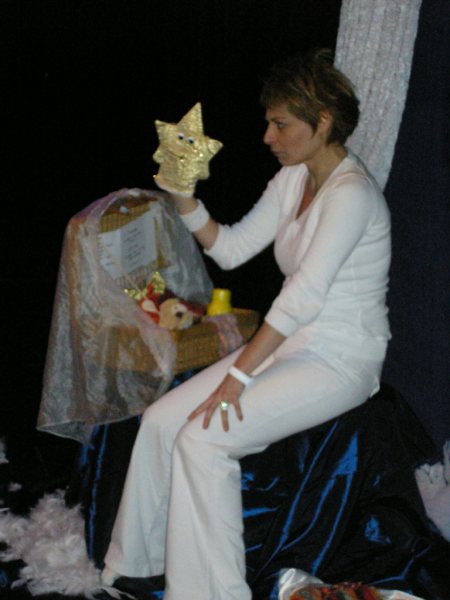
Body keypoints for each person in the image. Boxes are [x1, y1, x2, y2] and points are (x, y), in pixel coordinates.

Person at [101, 49, 391, 600]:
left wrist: (239, 377)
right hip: (295, 343)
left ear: (322, 121)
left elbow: (302, 298)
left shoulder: (352, 194)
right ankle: (138, 564)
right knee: (162, 420)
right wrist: (184, 199)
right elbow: (231, 249)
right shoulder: (294, 178)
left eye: (280, 124)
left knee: (204, 441)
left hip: (341, 358)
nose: (267, 136)